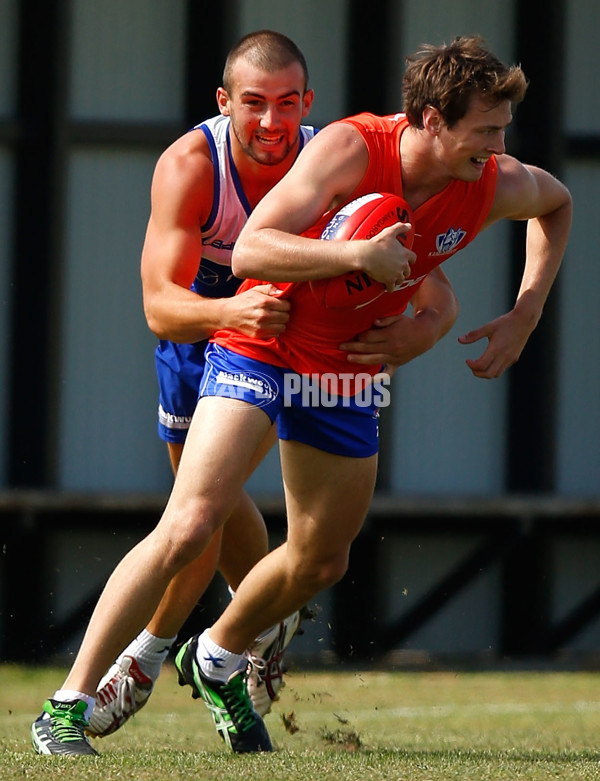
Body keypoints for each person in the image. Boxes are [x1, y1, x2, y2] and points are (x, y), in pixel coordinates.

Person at [31, 30, 459, 757]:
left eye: (288, 104)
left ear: (308, 104)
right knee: (202, 522)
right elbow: (159, 308)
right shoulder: (192, 165)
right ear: (224, 102)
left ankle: (169, 656)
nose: (271, 122)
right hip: (209, 333)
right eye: (254, 104)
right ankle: (168, 667)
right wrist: (231, 308)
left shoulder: (337, 158)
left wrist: (421, 333)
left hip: (297, 343)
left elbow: (432, 283)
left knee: (282, 543)